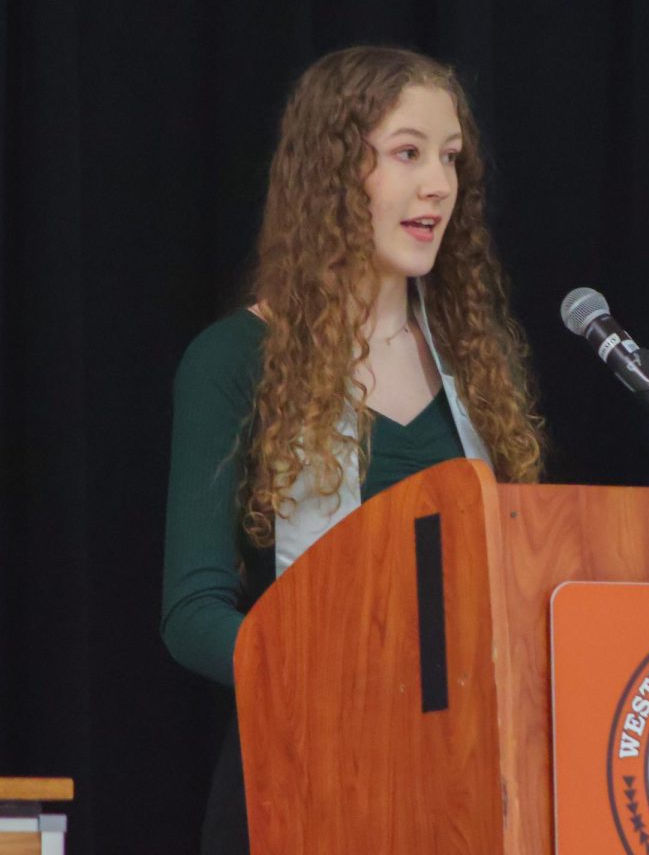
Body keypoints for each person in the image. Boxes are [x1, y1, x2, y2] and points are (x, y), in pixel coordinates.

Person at [161, 46, 543, 853]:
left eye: (450, 158)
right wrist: (348, 681)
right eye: (407, 154)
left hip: (465, 784)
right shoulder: (235, 361)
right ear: (334, 175)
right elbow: (193, 614)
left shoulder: (480, 367)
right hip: (303, 776)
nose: (439, 185)